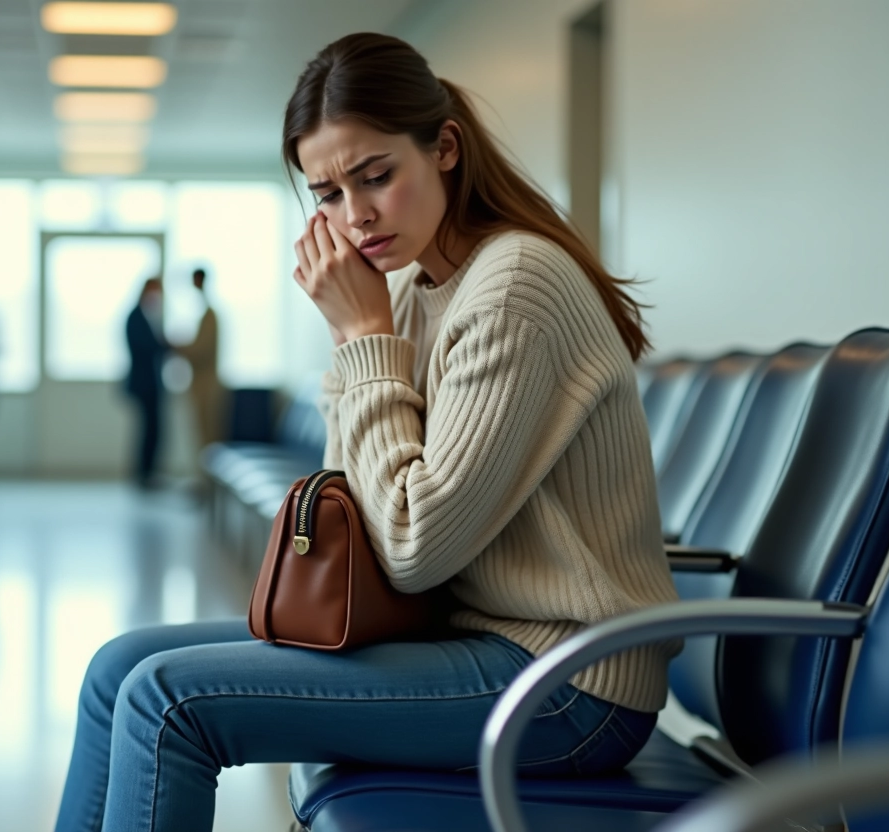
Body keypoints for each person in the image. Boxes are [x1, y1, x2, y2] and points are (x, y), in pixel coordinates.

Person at [56, 34, 679, 832]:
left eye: (376, 176)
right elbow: (352, 505)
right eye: (326, 195)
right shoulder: (415, 289)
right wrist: (359, 336)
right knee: (118, 670)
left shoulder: (514, 286)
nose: (356, 216)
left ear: (444, 147)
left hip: (567, 682)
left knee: (167, 702)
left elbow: (412, 546)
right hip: (468, 638)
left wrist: (361, 340)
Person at [124, 277, 169, 489]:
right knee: (148, 431)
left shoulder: (147, 316)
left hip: (152, 384)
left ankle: (149, 472)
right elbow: (146, 347)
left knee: (154, 430)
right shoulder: (136, 317)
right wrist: (166, 345)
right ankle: (144, 474)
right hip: (144, 385)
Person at [173, 268, 224, 449]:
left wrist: (178, 347)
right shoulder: (206, 313)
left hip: (206, 384)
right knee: (201, 432)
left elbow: (202, 349)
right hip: (201, 382)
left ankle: (206, 477)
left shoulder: (209, 315)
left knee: (207, 432)